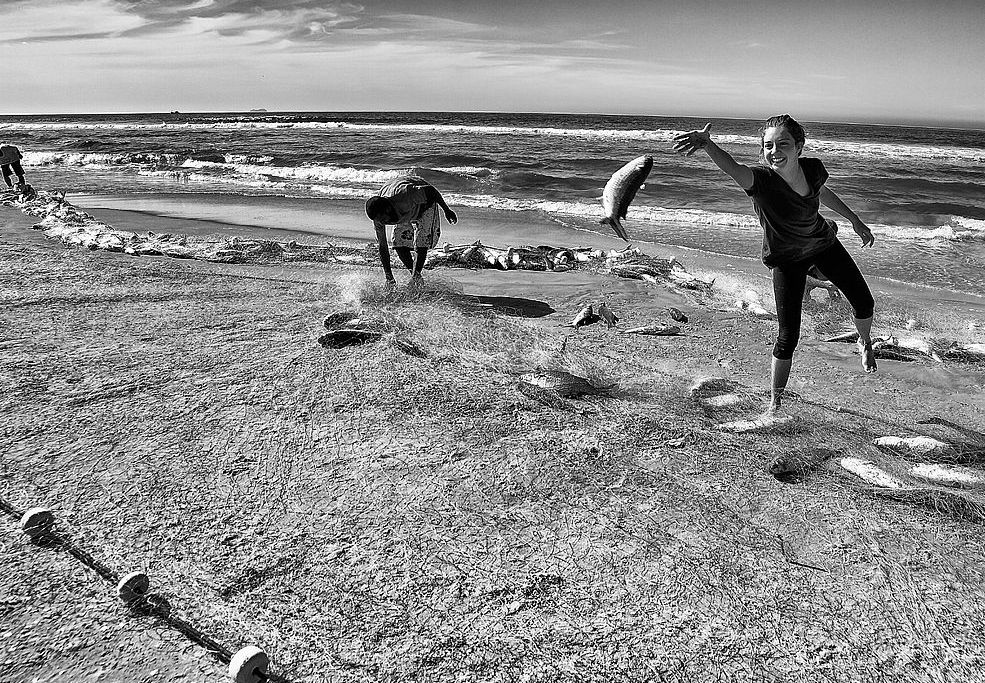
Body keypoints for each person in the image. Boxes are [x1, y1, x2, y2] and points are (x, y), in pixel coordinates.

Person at [673, 114, 877, 416]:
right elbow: (734, 169)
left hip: (822, 243)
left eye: (783, 144)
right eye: (768, 146)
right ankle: (775, 402)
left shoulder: (812, 169)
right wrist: (708, 145)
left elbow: (822, 193)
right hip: (786, 260)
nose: (775, 151)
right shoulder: (761, 180)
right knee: (788, 336)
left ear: (799, 147)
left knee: (864, 303)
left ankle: (865, 341)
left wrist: (854, 219)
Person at [365, 175, 457, 287]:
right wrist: (389, 278)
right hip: (404, 211)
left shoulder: (405, 195)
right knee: (399, 244)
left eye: (384, 220)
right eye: (380, 221)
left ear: (388, 209)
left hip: (425, 204)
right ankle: (416, 277)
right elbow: (383, 247)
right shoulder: (378, 217)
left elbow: (431, 191)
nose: (383, 223)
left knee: (421, 242)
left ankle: (415, 276)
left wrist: (446, 210)